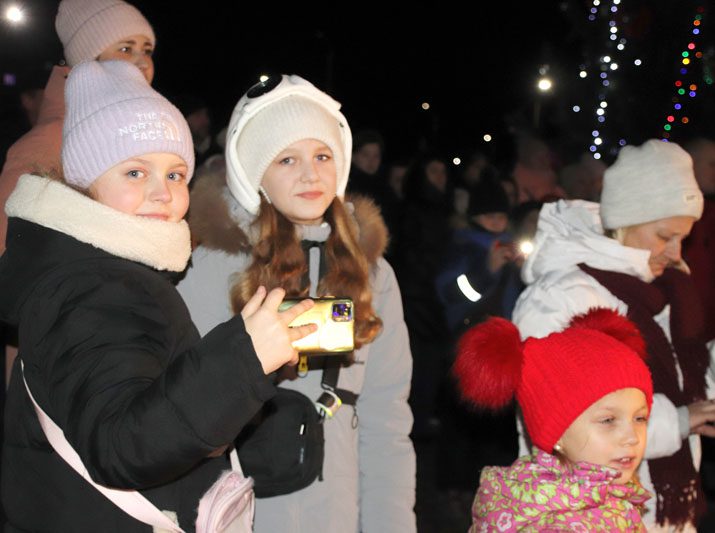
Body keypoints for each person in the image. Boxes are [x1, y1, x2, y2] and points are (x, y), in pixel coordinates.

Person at [0, 60, 316, 532]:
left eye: (174, 175)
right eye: (134, 173)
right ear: (87, 181)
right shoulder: (92, 287)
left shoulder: (103, 271)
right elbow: (122, 446)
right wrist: (244, 357)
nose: (161, 193)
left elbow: (142, 398)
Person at [177, 74, 416, 532]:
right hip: (240, 514)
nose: (311, 174)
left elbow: (386, 421)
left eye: (323, 155)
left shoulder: (373, 273)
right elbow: (185, 413)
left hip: (340, 512)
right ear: (251, 172)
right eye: (287, 159)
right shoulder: (209, 265)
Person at [512, 139, 715, 531]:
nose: (675, 252)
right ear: (626, 219)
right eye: (664, 235)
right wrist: (677, 423)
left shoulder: (667, 288)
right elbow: (562, 422)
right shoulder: (563, 295)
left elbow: (691, 382)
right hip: (587, 513)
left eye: (683, 237)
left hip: (665, 508)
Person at [454, 308, 654, 532]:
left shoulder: (604, 493)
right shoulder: (556, 525)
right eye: (608, 420)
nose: (631, 437)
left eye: (640, 417)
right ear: (557, 434)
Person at [0, 0, 156, 254]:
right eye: (126, 48)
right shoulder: (52, 139)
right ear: (87, 59)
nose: (142, 63)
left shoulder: (137, 132)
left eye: (147, 50)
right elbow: (7, 248)